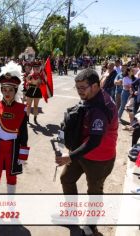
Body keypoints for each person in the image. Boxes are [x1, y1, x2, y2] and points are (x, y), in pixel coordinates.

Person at [55, 69, 118, 235]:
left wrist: (70, 156)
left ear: (96, 86)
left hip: (99, 159)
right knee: (66, 178)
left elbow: (94, 141)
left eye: (83, 87)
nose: (80, 91)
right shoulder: (91, 97)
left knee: (94, 191)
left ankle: (91, 226)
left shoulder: (101, 107)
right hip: (81, 153)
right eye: (77, 88)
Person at [0, 61, 29, 194]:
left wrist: (23, 154)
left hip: (13, 147)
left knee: (11, 176)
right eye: (4, 89)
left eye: (10, 89)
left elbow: (24, 133)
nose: (7, 92)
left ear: (16, 90)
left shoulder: (22, 109)